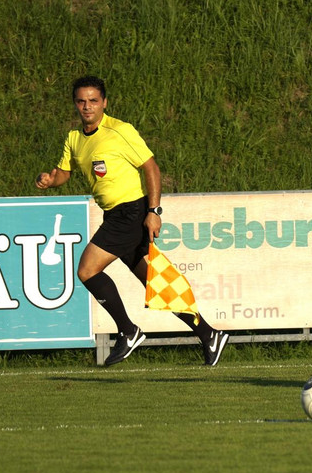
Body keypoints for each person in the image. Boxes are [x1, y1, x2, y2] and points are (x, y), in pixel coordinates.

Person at [35, 75, 230, 367]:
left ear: (104, 103)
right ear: (75, 103)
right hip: (114, 214)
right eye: (81, 101)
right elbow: (65, 171)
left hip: (130, 212)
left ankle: (128, 330)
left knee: (87, 271)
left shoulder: (119, 131)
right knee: (156, 283)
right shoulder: (75, 139)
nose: (87, 107)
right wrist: (51, 180)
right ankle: (209, 333)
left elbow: (150, 167)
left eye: (93, 101)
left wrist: (154, 211)